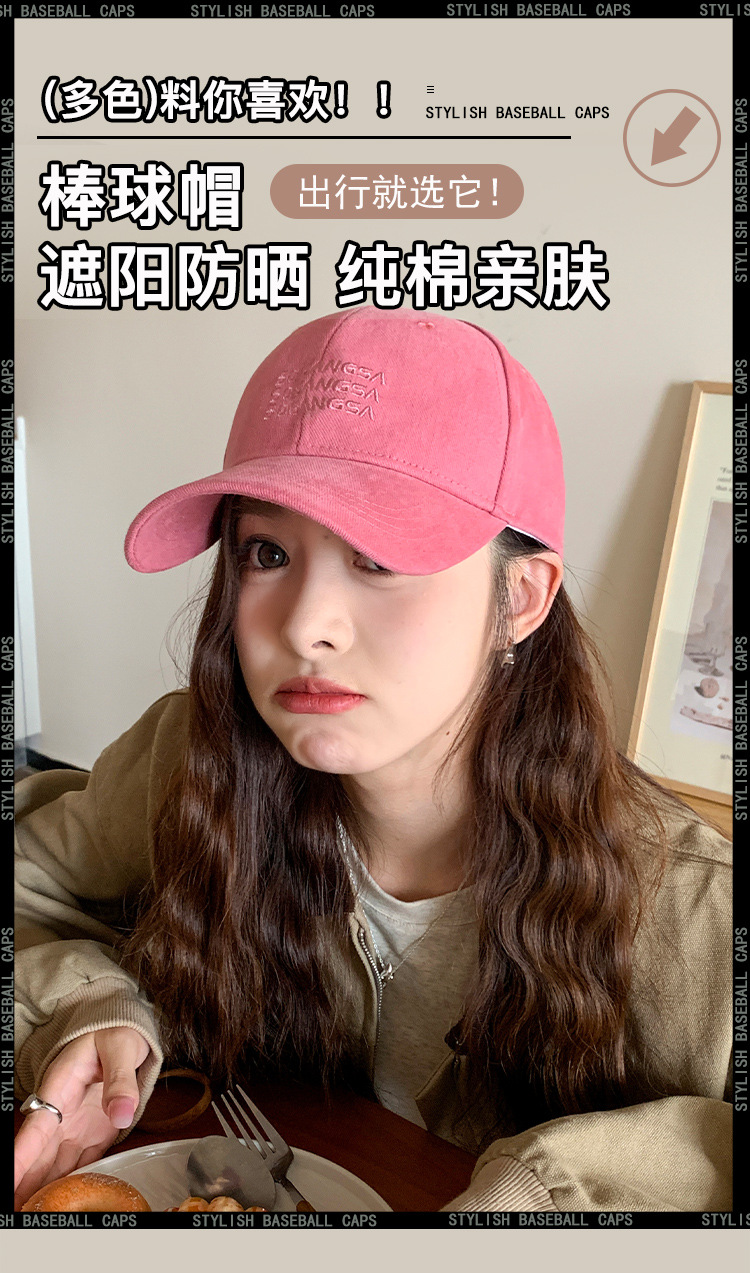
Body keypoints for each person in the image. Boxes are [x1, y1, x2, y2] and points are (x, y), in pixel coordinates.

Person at [14, 310, 732, 1212]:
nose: (306, 625)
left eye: (379, 557)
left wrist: (545, 1190)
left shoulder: (689, 903)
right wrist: (91, 1007)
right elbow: (33, 882)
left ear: (520, 598)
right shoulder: (194, 759)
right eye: (267, 553)